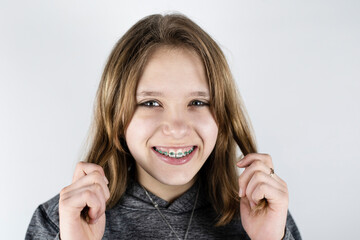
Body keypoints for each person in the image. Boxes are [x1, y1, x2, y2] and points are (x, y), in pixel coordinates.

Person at [26, 13, 301, 240]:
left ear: (223, 115)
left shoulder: (267, 214)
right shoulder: (59, 222)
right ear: (116, 116)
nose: (177, 128)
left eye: (197, 101)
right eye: (150, 103)